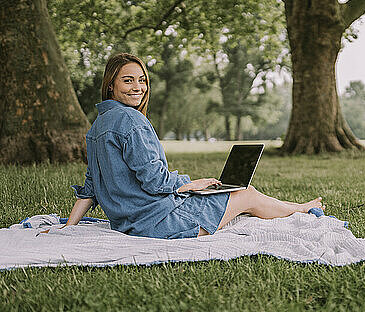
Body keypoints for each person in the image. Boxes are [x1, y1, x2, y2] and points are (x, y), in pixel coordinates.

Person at [66, 53, 323, 239]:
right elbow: (155, 182)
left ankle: (296, 207)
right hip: (158, 223)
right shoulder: (132, 121)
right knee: (247, 194)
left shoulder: (97, 126)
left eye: (142, 80)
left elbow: (90, 188)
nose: (138, 87)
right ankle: (301, 209)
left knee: (238, 194)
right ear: (111, 85)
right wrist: (191, 183)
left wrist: (68, 227)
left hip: (129, 223)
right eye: (128, 81)